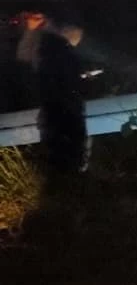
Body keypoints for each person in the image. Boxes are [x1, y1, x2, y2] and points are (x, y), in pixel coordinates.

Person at [30, 11, 89, 179]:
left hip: (56, 113)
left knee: (60, 155)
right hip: (64, 112)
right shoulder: (62, 54)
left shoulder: (47, 51)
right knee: (67, 155)